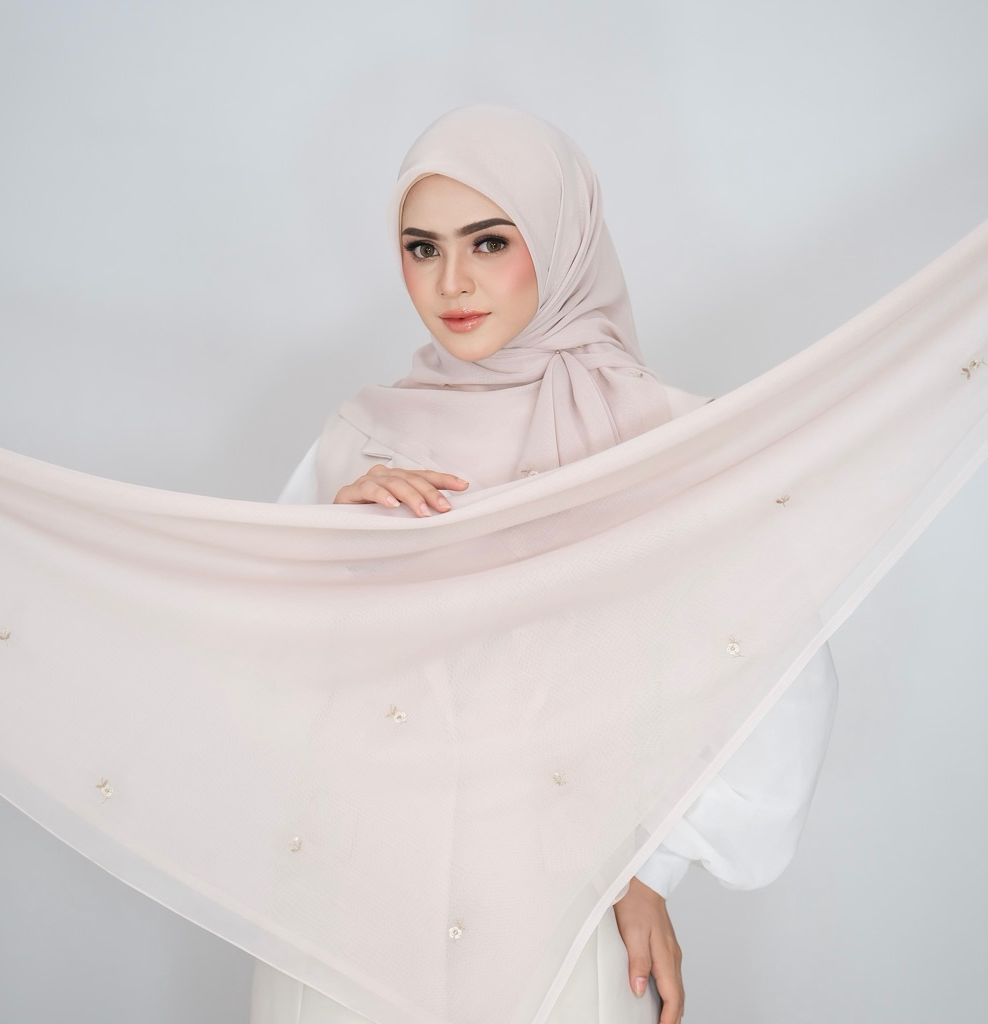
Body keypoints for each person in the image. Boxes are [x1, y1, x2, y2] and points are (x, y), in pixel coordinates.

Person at [249, 104, 839, 1024]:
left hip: (556, 921)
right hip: (346, 921)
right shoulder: (359, 441)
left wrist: (653, 864)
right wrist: (333, 549)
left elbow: (781, 669)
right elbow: (261, 672)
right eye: (422, 248)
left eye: (489, 242)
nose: (451, 282)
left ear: (561, 238)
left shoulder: (667, 441)